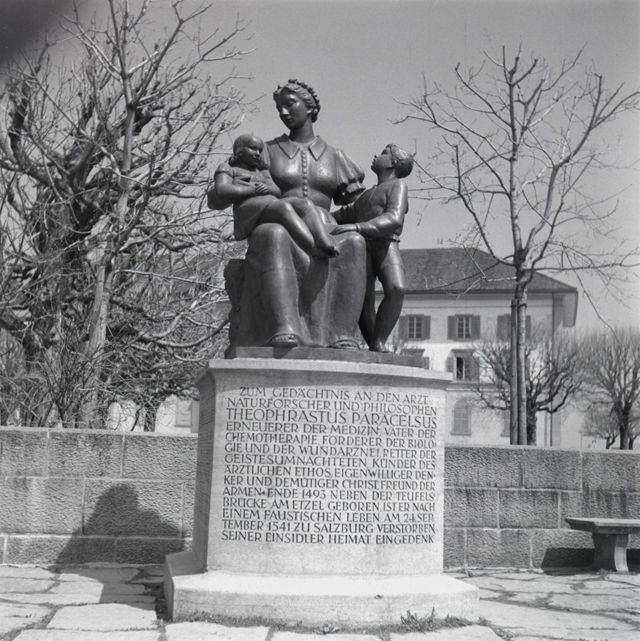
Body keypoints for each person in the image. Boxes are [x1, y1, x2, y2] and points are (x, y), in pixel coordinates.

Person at [218, 79, 368, 349]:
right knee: (272, 234)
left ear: (309, 107)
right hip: (276, 220)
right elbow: (233, 186)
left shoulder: (336, 157)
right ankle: (284, 327)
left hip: (323, 225)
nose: (284, 112)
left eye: (290, 104)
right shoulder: (265, 151)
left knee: (355, 242)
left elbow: (356, 207)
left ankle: (341, 334)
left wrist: (378, 210)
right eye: (279, 108)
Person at [332, 144, 414, 352]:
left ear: (393, 163)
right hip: (363, 249)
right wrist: (315, 213)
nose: (377, 155)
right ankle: (375, 344)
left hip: (387, 244)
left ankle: (379, 339)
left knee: (396, 288)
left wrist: (358, 227)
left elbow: (394, 218)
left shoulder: (398, 186)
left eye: (384, 153)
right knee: (363, 297)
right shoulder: (367, 195)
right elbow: (342, 215)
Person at [210, 133, 339, 257]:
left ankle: (323, 239)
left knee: (304, 204)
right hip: (248, 208)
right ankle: (312, 247)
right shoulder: (228, 168)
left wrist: (267, 188)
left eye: (260, 150)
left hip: (270, 203)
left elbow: (276, 191)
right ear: (239, 150)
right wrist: (251, 190)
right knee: (283, 207)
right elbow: (222, 189)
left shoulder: (261, 172)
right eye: (253, 148)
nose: (258, 153)